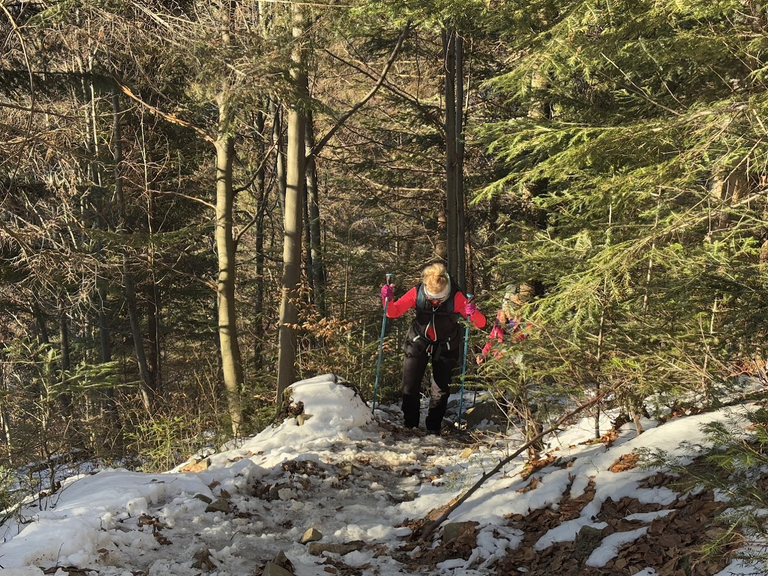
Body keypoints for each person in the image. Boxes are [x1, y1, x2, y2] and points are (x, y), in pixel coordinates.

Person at [380, 262, 486, 433]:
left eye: (439, 299)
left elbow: (480, 323)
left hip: (447, 345)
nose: (435, 301)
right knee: (410, 385)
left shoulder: (457, 297)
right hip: (418, 340)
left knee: (440, 389)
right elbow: (392, 312)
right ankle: (410, 425)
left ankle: (433, 428)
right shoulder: (418, 292)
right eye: (432, 298)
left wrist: (473, 312)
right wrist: (388, 299)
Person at [477, 284, 532, 364]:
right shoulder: (500, 317)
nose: (507, 312)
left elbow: (531, 339)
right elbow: (493, 336)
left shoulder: (525, 319)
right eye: (505, 308)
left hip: (517, 360)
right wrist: (484, 353)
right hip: (501, 359)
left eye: (509, 308)